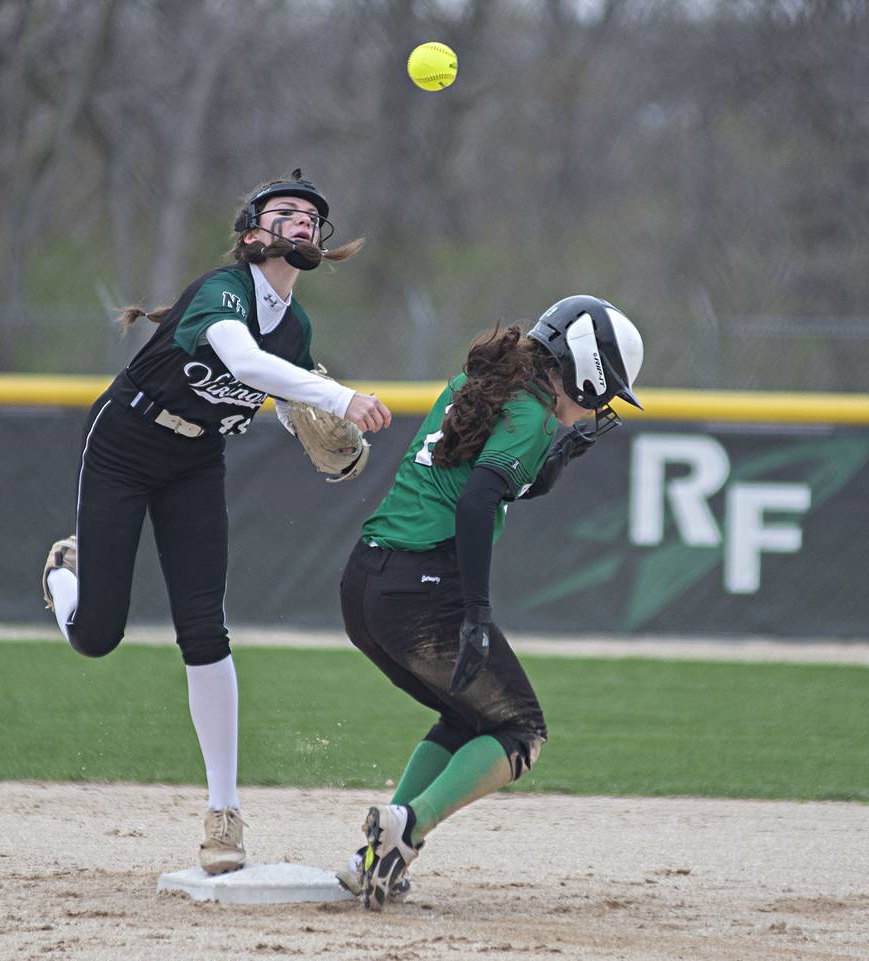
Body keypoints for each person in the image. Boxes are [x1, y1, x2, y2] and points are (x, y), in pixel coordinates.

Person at [38, 170, 392, 875]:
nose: (299, 222)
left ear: (318, 241)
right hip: (125, 446)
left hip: (196, 462)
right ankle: (63, 574)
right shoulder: (222, 292)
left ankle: (223, 814)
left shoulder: (295, 326)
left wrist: (312, 428)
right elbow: (241, 359)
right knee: (98, 635)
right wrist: (343, 395)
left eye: (309, 217)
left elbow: (282, 393)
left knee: (205, 628)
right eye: (283, 212)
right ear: (253, 232)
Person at [334, 294, 644, 910]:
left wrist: (542, 471)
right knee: (520, 729)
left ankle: (375, 856)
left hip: (367, 582)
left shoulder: (480, 382)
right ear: (582, 369)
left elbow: (471, 479)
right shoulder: (529, 414)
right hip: (421, 591)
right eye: (603, 389)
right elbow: (477, 502)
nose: (601, 405)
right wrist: (476, 611)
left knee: (468, 716)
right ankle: (407, 832)